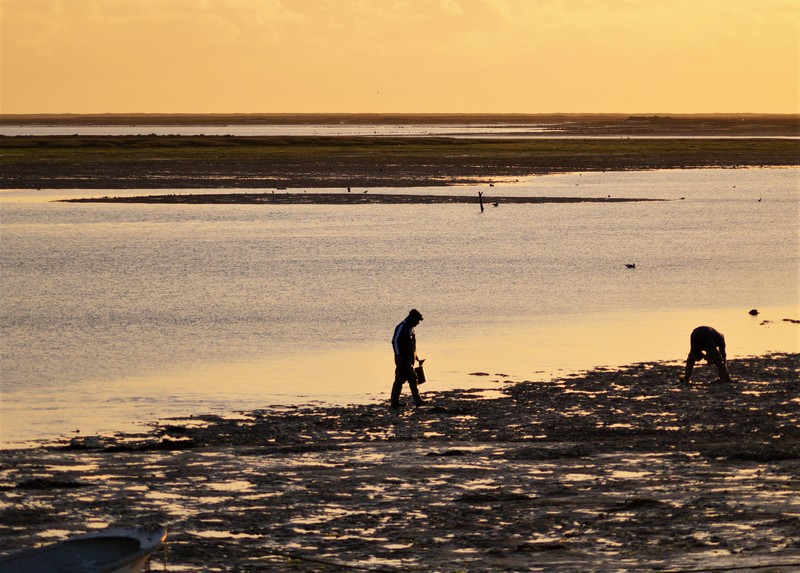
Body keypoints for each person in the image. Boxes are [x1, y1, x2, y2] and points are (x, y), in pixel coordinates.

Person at [390, 309, 426, 407]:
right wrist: (398, 355)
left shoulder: (411, 329)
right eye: (417, 320)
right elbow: (395, 341)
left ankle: (394, 402)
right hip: (402, 358)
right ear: (412, 318)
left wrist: (417, 357)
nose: (418, 323)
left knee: (400, 379)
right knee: (413, 377)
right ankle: (417, 400)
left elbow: (412, 346)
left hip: (410, 359)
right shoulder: (401, 327)